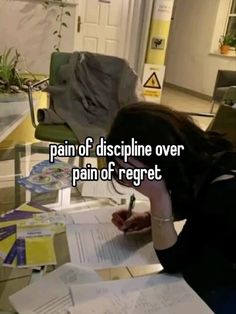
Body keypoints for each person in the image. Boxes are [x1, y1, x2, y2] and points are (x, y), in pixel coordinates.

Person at [107, 101, 236, 313]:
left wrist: (158, 197)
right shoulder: (202, 157)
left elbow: (176, 264)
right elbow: (193, 203)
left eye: (131, 172)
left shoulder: (223, 195)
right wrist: (151, 216)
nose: (130, 182)